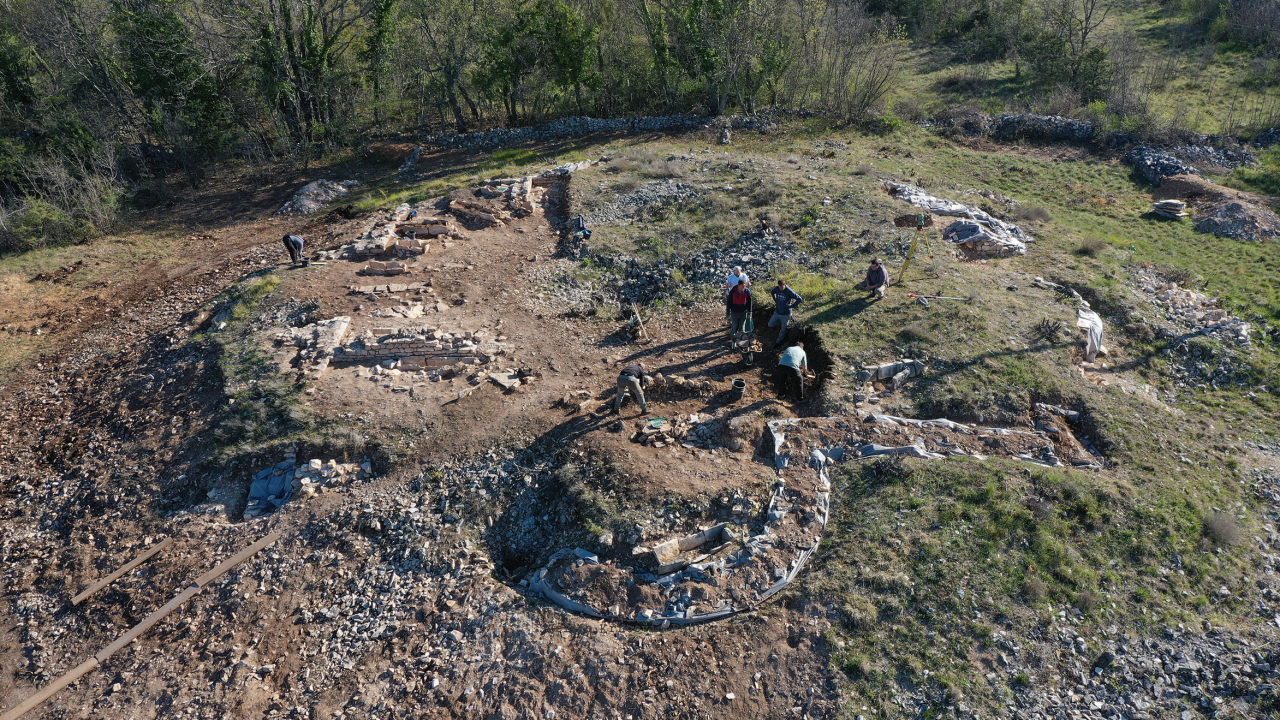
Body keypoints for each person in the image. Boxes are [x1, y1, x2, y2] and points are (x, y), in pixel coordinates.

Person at [768, 279, 803, 347]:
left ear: (785, 285)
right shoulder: (777, 288)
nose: (781, 288)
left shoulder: (789, 291)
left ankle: (778, 342)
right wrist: (775, 299)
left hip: (786, 314)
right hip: (777, 312)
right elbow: (772, 292)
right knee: (770, 324)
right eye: (780, 287)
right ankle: (782, 324)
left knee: (783, 330)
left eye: (782, 287)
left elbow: (799, 299)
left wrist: (791, 306)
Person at [726, 281, 752, 346]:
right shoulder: (733, 291)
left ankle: (740, 342)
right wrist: (728, 312)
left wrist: (750, 311)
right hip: (734, 312)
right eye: (742, 287)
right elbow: (729, 302)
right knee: (734, 327)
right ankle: (733, 341)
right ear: (738, 285)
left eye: (744, 287)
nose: (743, 288)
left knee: (742, 328)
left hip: (743, 312)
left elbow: (749, 302)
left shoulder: (747, 291)